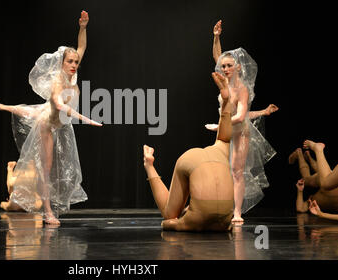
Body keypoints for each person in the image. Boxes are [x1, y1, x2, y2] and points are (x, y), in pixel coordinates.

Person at [0, 11, 102, 225]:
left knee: (33, 113)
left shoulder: (73, 73)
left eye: (76, 61)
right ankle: (47, 212)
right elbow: (59, 105)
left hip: (60, 123)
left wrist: (83, 28)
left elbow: (81, 47)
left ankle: (0, 106)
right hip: (49, 124)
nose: (74, 64)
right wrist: (87, 119)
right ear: (61, 63)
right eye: (70, 61)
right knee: (45, 169)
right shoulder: (58, 82)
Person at [143, 72, 234, 232]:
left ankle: (148, 165)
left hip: (207, 157)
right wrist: (226, 102)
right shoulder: (222, 223)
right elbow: (225, 138)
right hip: (214, 155)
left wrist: (175, 224)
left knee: (169, 214)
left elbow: (169, 218)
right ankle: (149, 164)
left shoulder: (195, 221)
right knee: (224, 141)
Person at [207, 20, 277, 223]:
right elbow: (216, 57)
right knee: (221, 169)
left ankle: (237, 212)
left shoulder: (242, 89)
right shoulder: (224, 83)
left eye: (229, 66)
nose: (225, 69)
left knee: (237, 171)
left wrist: (219, 125)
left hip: (240, 133)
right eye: (224, 66)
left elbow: (240, 116)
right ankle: (221, 206)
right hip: (226, 130)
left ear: (237, 67)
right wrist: (216, 36)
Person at [291, 140, 338, 219]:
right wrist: (321, 214)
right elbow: (300, 209)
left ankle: (304, 156)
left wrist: (300, 190)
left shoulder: (313, 201)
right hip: (328, 181)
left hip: (329, 179)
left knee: (310, 178)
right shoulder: (314, 200)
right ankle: (305, 155)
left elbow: (300, 209)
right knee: (309, 179)